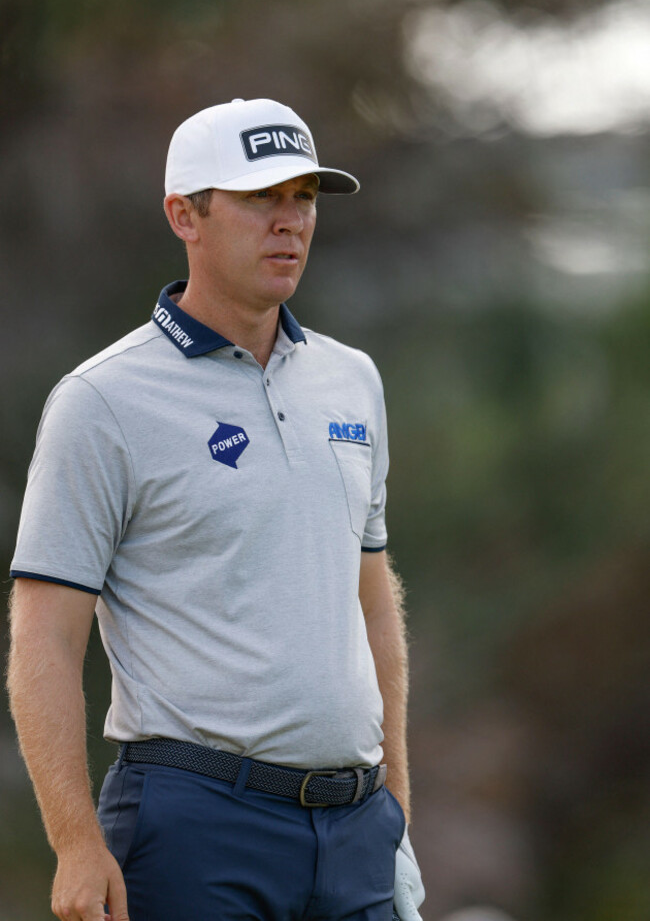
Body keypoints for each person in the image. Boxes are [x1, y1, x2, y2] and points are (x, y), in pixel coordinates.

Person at [7, 97, 425, 921]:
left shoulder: (353, 380)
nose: (290, 222)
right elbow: (44, 634)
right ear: (184, 215)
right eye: (260, 197)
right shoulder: (103, 399)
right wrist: (75, 841)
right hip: (196, 824)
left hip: (355, 828)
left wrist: (397, 807)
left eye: (304, 197)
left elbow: (373, 601)